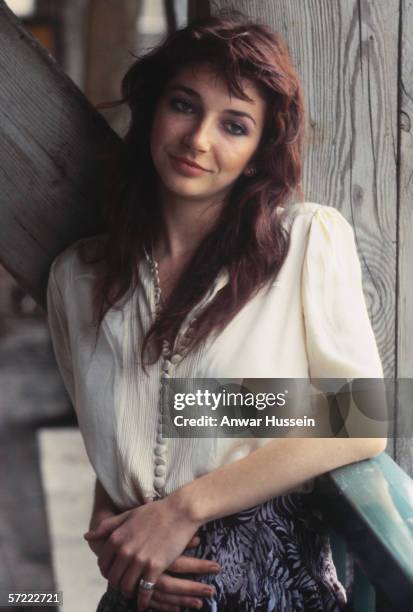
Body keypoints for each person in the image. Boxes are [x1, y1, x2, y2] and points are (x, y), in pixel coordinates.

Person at [46, 13, 386, 612]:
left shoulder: (304, 243)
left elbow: (362, 418)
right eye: (183, 105)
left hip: (270, 584)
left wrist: (183, 508)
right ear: (153, 111)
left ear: (258, 152)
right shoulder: (77, 278)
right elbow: (122, 429)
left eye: (234, 124)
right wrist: (113, 534)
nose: (198, 139)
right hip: (139, 587)